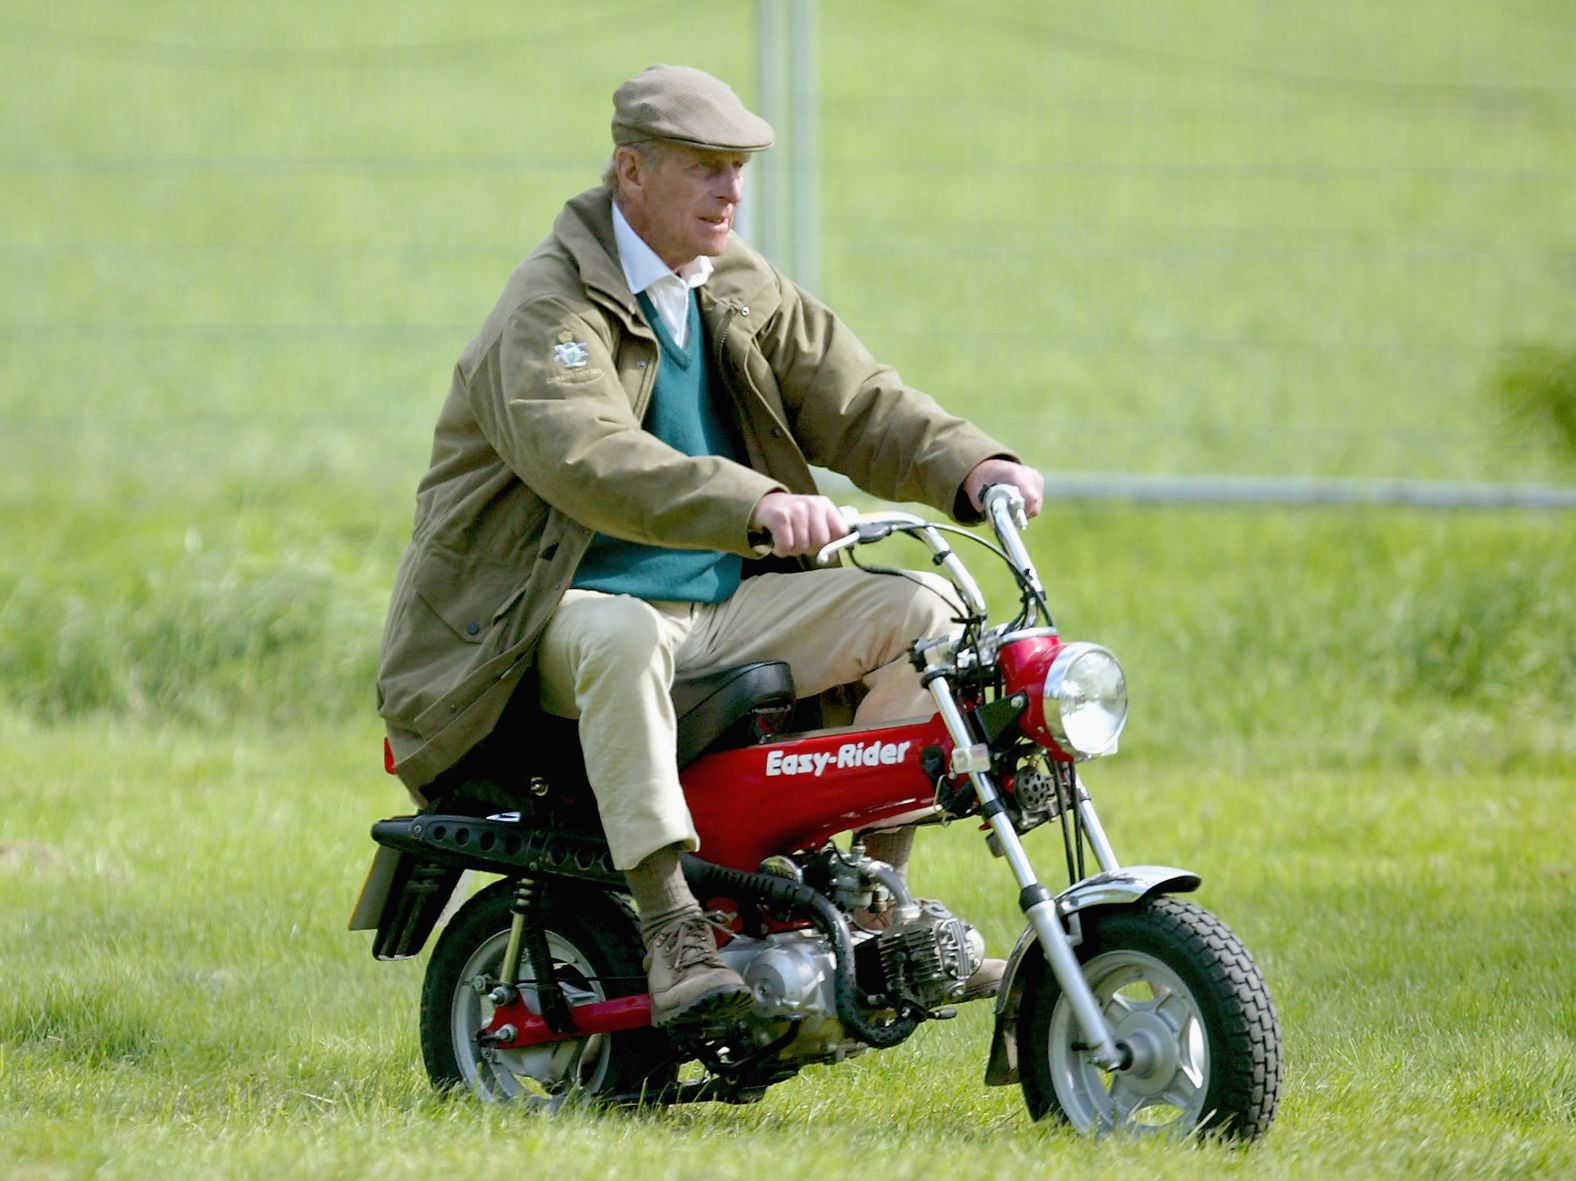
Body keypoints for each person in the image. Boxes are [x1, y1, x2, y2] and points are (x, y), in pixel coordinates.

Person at [376, 64, 1044, 1026]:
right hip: (539, 619)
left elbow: (858, 401)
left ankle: (871, 897)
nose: (732, 190)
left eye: (739, 167)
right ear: (630, 171)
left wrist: (974, 465)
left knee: (923, 615)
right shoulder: (550, 309)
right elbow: (591, 459)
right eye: (706, 168)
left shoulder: (733, 283)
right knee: (625, 638)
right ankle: (668, 922)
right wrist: (757, 501)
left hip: (719, 607)